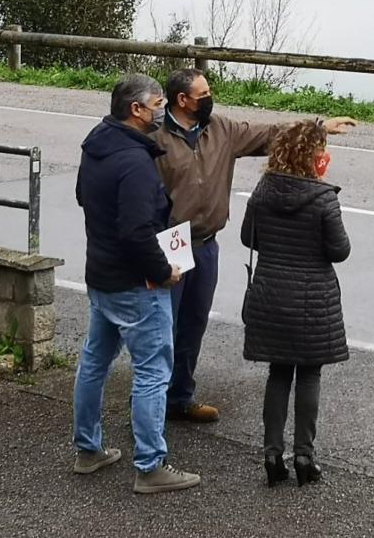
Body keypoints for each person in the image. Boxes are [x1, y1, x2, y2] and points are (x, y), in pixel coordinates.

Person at [153, 67, 356, 424]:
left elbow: (270, 134)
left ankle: (180, 398)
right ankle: (151, 407)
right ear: (182, 100)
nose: (210, 98)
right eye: (203, 94)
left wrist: (318, 127)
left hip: (206, 241)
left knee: (193, 324)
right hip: (171, 241)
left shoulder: (221, 129)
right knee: (161, 329)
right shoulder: (154, 137)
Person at [72, 73, 201, 495]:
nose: (163, 109)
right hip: (136, 285)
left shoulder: (96, 145)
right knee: (152, 372)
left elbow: (83, 198)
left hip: (101, 276)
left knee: (94, 362)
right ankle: (150, 465)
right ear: (137, 110)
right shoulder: (136, 165)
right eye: (159, 103)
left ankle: (88, 450)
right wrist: (164, 271)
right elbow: (136, 231)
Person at [241, 119, 350, 487]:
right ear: (312, 156)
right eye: (322, 150)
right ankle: (304, 455)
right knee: (309, 374)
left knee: (278, 373)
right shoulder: (323, 198)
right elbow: (340, 250)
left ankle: (272, 453)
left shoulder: (263, 190)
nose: (326, 156)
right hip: (311, 300)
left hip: (270, 293)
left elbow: (247, 237)